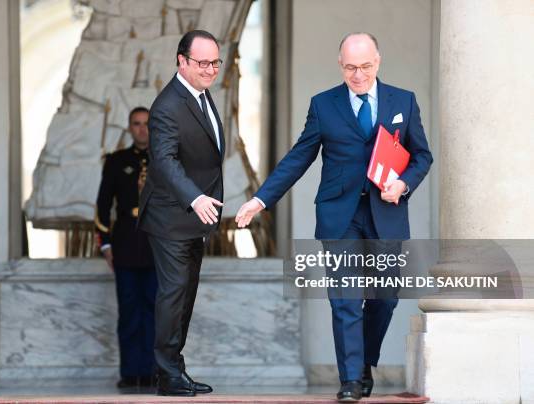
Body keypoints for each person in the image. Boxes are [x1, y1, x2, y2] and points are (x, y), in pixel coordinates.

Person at [236, 33, 433, 402]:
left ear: (378, 61)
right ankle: (350, 380)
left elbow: (422, 155)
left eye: (365, 67)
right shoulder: (323, 105)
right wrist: (261, 200)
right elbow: (298, 158)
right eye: (349, 68)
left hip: (385, 214)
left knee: (385, 297)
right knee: (344, 297)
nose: (357, 75)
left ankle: (363, 363)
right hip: (338, 216)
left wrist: (403, 185)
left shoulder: (402, 101)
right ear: (339, 63)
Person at [138, 30, 225, 397]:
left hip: (194, 217)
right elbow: (164, 161)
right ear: (182, 61)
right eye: (202, 62)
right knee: (174, 293)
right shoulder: (168, 105)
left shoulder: (201, 96)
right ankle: (168, 373)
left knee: (185, 294)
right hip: (172, 214)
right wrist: (195, 198)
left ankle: (173, 370)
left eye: (214, 63)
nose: (209, 70)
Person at [95, 106, 157, 390]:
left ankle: (156, 371)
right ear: (129, 128)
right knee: (130, 311)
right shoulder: (117, 161)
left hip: (158, 244)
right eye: (137, 124)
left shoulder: (166, 159)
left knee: (156, 311)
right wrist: (105, 243)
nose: (142, 129)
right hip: (126, 244)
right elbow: (103, 204)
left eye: (146, 124)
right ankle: (131, 372)